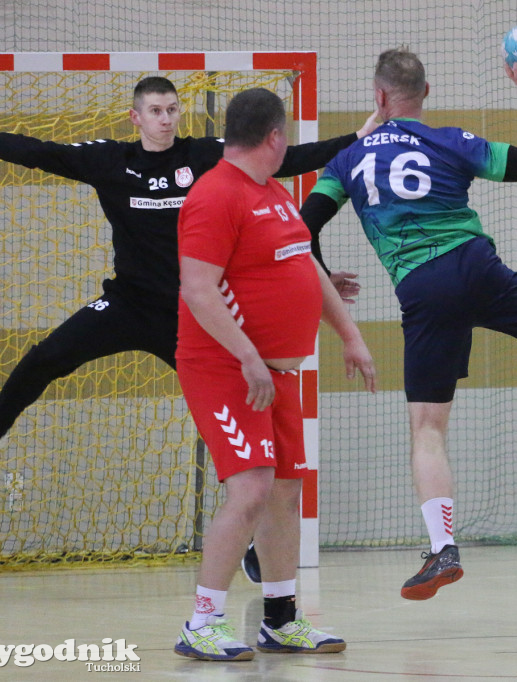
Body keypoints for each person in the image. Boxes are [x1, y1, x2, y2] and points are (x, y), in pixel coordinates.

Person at [297, 47, 517, 600]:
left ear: (377, 97)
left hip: (424, 288)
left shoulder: (346, 162)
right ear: (425, 94)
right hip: (477, 267)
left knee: (428, 429)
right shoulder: (450, 139)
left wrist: (328, 277)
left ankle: (443, 549)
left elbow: (302, 230)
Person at [0, 76, 376, 461]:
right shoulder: (109, 159)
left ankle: (258, 531)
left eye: (172, 110)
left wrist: (357, 138)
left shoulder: (205, 155)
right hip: (129, 304)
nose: (165, 119)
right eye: (156, 111)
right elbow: (36, 152)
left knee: (244, 404)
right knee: (46, 356)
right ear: (135, 117)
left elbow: (287, 160)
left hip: (191, 315)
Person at [173, 87, 376, 661]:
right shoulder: (214, 196)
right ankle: (202, 622)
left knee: (287, 490)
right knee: (253, 488)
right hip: (227, 369)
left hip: (276, 373)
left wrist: (352, 337)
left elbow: (307, 268)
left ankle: (281, 619)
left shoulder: (276, 193)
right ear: (275, 137)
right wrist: (246, 356)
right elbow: (199, 288)